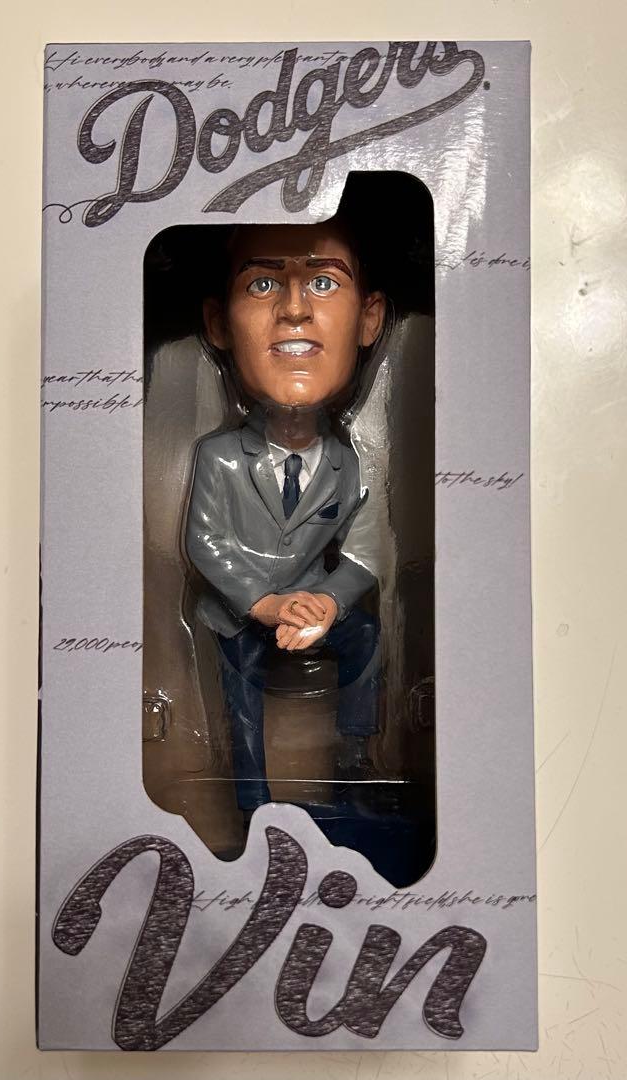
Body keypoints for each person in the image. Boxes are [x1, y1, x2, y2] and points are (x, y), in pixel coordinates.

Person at [184, 217, 386, 816]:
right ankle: (252, 802)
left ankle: (355, 768)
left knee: (367, 638)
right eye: (263, 285)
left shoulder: (348, 463)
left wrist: (325, 603)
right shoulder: (219, 456)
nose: (295, 309)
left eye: (323, 283)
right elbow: (206, 542)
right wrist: (264, 604)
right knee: (241, 694)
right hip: (238, 613)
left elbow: (364, 554)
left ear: (370, 319)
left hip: (310, 603)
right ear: (218, 324)